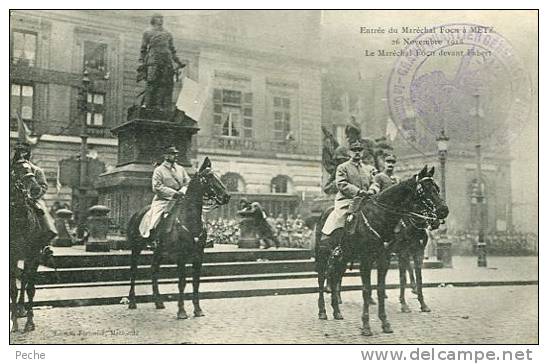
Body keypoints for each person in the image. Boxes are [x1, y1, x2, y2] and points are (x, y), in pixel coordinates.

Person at [321, 141, 380, 239]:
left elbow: (375, 182)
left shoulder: (368, 169)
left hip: (366, 200)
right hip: (347, 200)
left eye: (359, 150)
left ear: (362, 152)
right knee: (342, 219)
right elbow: (341, 183)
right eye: (354, 150)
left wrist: (372, 191)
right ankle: (337, 243)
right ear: (349, 153)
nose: (357, 152)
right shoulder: (342, 167)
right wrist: (358, 191)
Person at [139, 146, 190, 240]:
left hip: (181, 199)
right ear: (166, 156)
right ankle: (153, 238)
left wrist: (183, 191)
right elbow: (157, 187)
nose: (175, 156)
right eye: (172, 154)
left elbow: (188, 182)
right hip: (164, 200)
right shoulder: (159, 170)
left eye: (176, 154)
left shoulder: (181, 169)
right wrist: (174, 193)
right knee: (155, 218)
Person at [12, 142, 57, 246]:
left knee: (41, 211)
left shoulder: (37, 170)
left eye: (24, 152)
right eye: (18, 152)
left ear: (28, 154)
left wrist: (32, 195)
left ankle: (45, 243)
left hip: (31, 199)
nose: (21, 154)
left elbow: (43, 186)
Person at [138, 13, 186, 110]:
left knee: (163, 83)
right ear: (153, 19)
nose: (160, 20)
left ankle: (159, 105)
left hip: (166, 60)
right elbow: (143, 49)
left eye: (161, 18)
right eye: (158, 18)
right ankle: (148, 104)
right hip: (153, 59)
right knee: (151, 82)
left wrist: (178, 62)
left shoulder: (168, 34)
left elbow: (172, 50)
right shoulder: (147, 32)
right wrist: (142, 62)